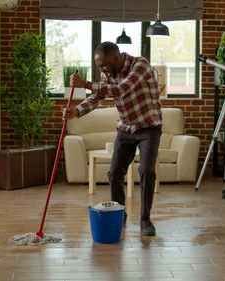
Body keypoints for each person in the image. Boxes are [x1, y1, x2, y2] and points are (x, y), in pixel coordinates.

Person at [62, 42, 162, 236]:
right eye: (100, 67)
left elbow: (121, 89)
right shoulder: (108, 72)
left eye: (104, 66)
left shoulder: (140, 65)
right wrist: (76, 111)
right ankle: (119, 214)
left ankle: (145, 219)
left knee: (147, 170)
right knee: (115, 172)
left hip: (149, 125)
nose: (102, 70)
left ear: (117, 59)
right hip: (125, 127)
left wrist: (87, 84)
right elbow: (98, 96)